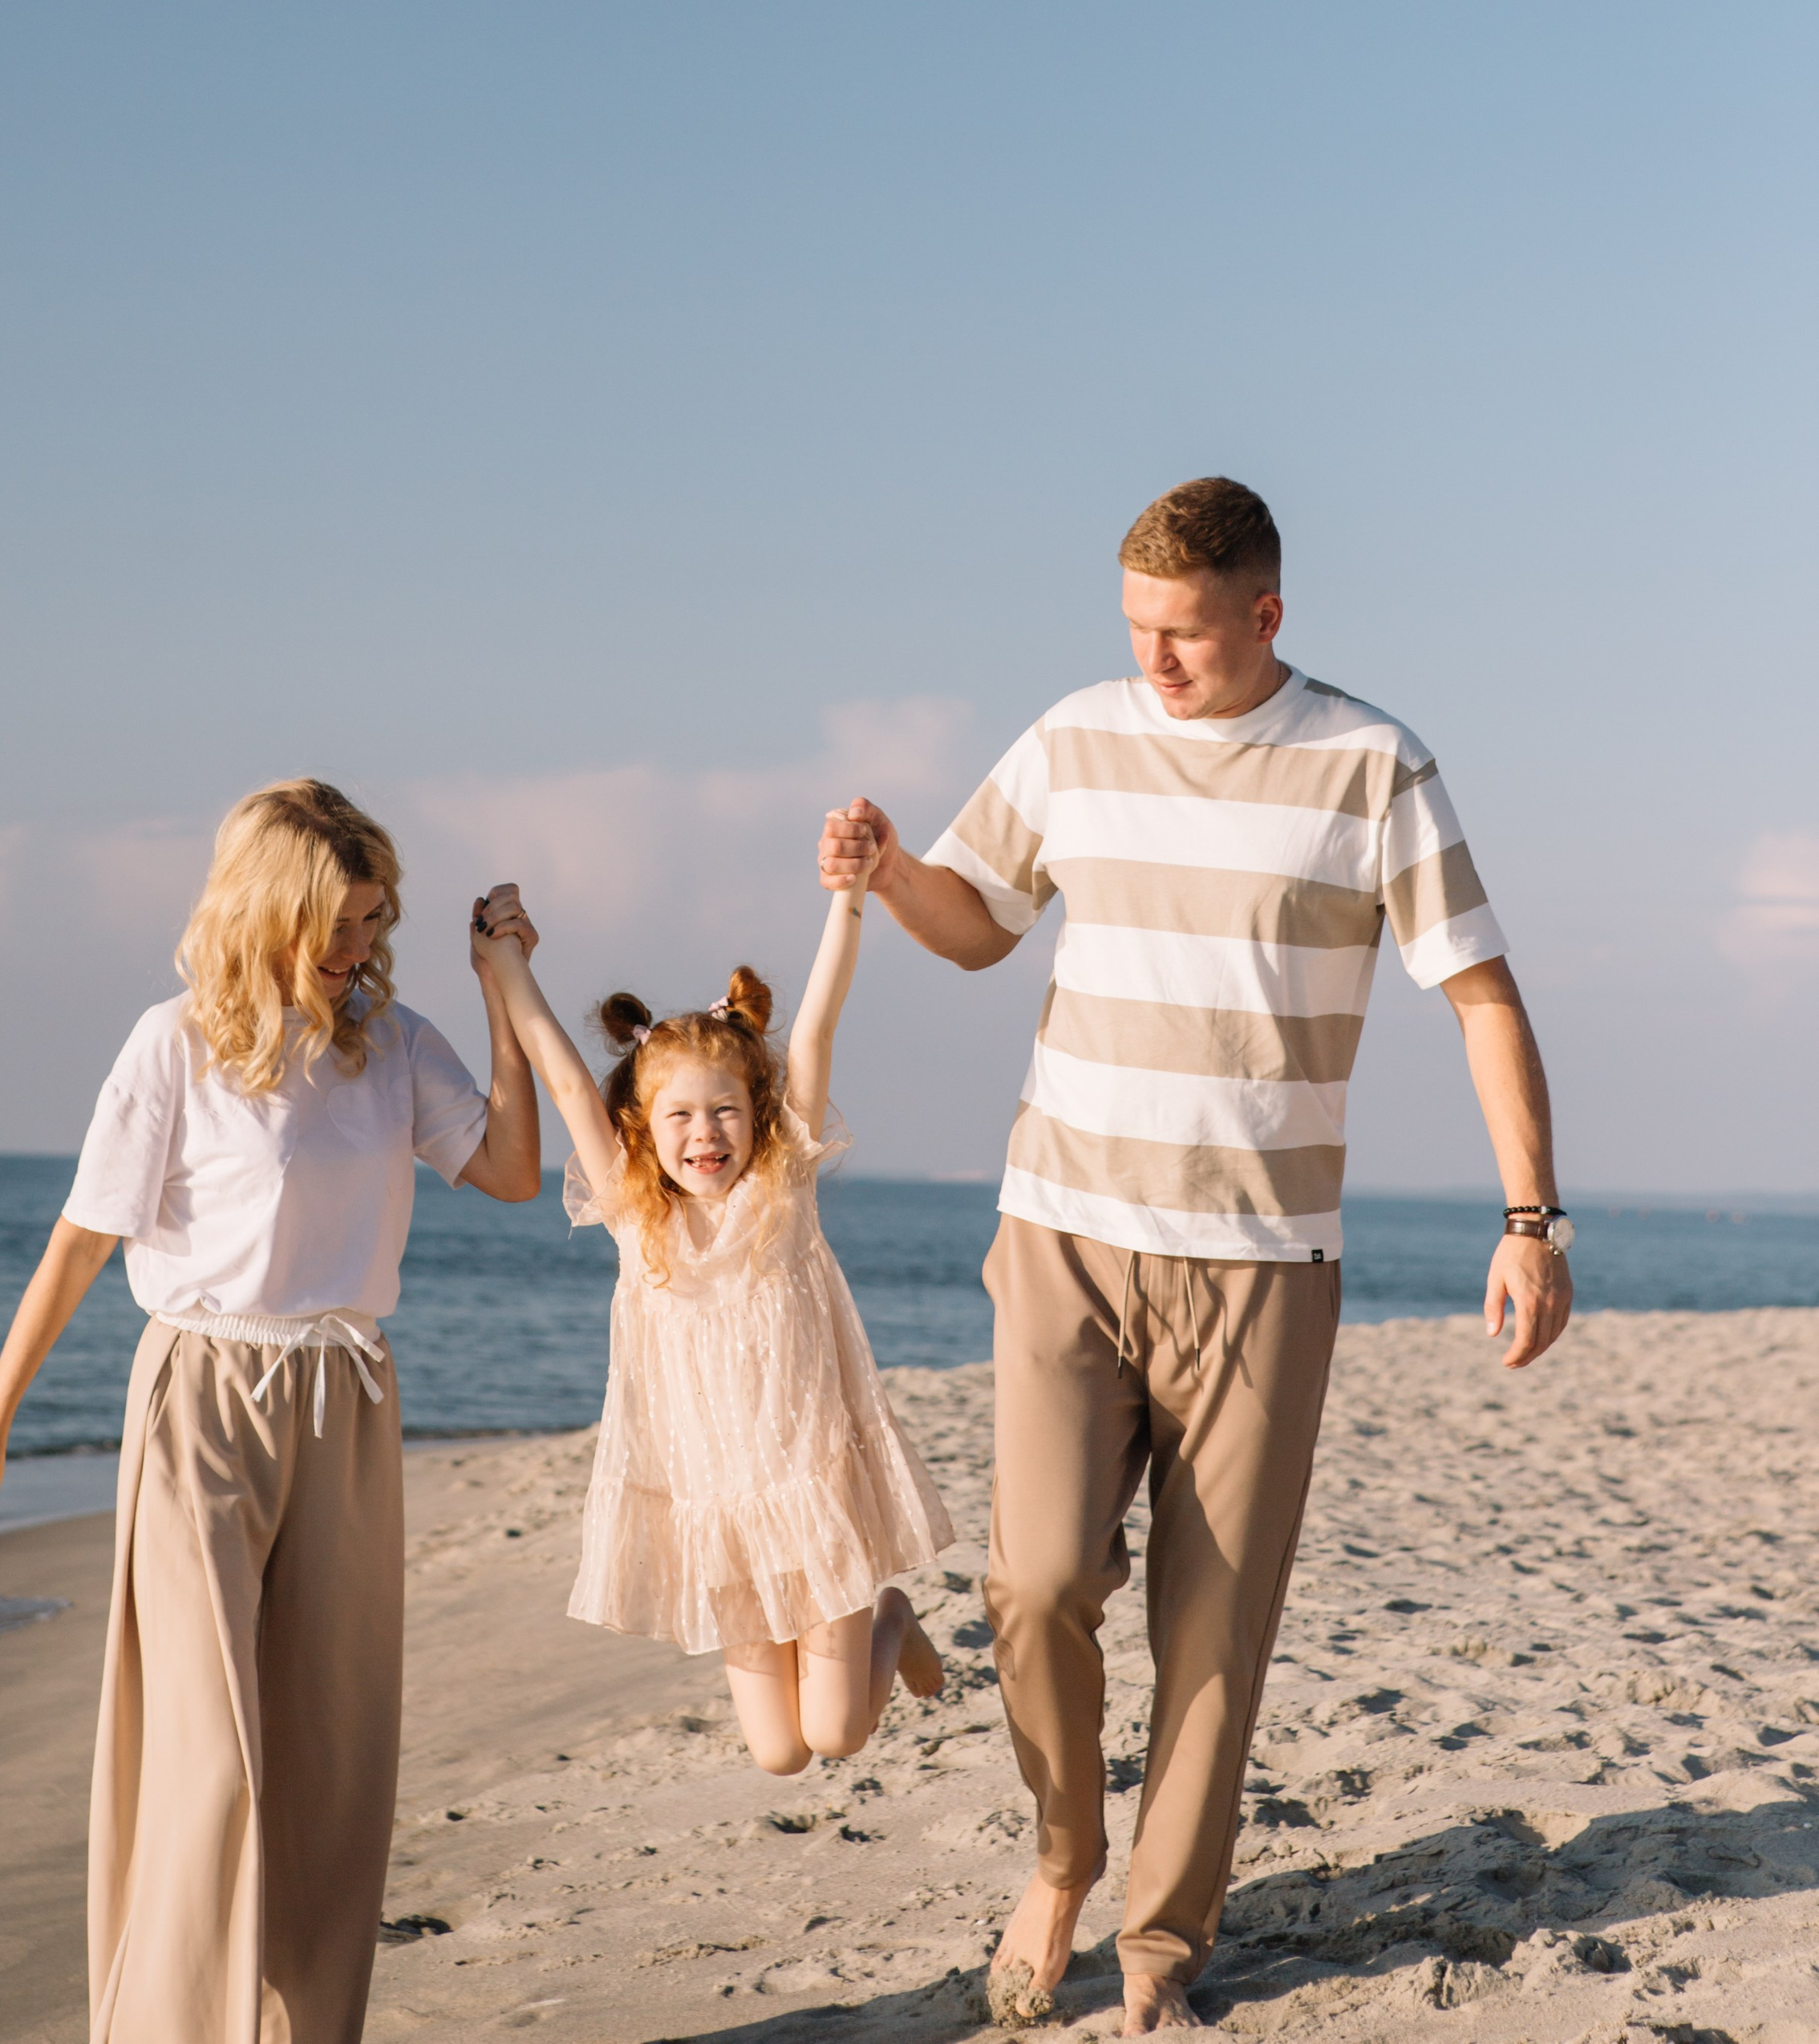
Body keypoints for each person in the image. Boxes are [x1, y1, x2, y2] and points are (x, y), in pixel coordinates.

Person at [816, 478, 1573, 2035]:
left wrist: (1527, 1222)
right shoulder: (1073, 737)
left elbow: (1480, 995)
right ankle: (1062, 1856)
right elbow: (978, 926)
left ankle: (1159, 1939)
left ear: (1265, 615)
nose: (1151, 660)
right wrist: (891, 874)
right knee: (1031, 1584)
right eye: (1132, 627)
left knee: (1210, 1635)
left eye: (1183, 632)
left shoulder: (1371, 763)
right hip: (1063, 1234)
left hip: (1262, 1263)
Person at [0, 781, 542, 2044]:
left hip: (349, 1404)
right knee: (210, 1761)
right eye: (338, 922)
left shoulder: (394, 1043)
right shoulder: (174, 1043)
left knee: (329, 1763)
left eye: (374, 921)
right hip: (203, 1401)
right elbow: (78, 1245)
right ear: (268, 911)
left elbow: (510, 1171)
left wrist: (502, 992)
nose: (359, 947)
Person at [468, 865, 953, 1774]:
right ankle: (875, 1633)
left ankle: (892, 1618)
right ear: (642, 1128)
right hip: (718, 1510)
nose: (705, 1134)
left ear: (758, 1115)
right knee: (780, 1755)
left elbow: (817, 1023)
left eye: (725, 1111)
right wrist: (507, 964)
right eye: (681, 1116)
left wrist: (849, 895)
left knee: (836, 1733)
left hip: (814, 1490)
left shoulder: (782, 1188)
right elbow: (567, 1083)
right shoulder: (633, 1212)